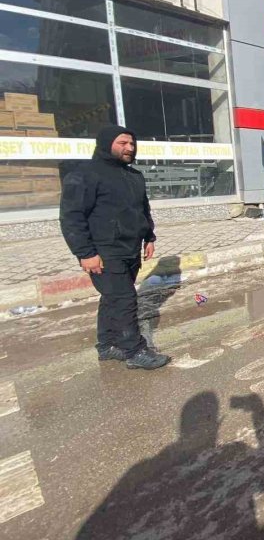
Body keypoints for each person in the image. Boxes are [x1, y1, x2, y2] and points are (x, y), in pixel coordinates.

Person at [59, 126, 171, 370]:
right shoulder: (86, 174)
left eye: (132, 143)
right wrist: (85, 253)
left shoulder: (133, 176)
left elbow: (143, 209)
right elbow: (72, 217)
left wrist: (149, 236)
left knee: (113, 298)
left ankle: (107, 345)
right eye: (122, 143)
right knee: (124, 299)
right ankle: (134, 351)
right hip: (104, 250)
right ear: (106, 143)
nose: (129, 148)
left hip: (130, 248)